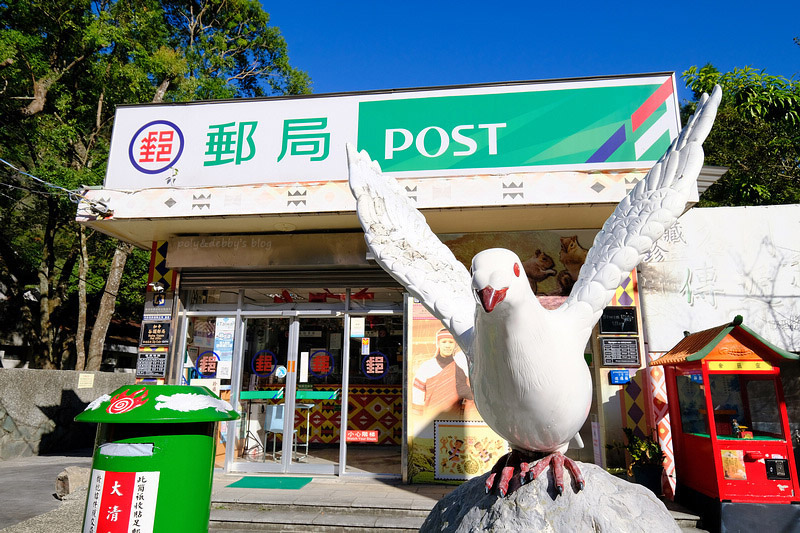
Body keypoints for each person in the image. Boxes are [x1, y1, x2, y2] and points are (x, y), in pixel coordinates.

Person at [411, 328, 473, 416]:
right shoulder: (427, 367)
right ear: (438, 344)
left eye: (451, 342)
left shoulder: (461, 367)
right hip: (430, 418)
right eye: (444, 342)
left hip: (453, 419)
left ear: (455, 344)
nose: (447, 346)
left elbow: (468, 395)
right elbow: (417, 396)